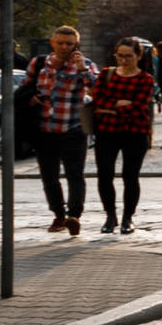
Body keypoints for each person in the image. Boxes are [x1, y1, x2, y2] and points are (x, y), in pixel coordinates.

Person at [25, 26, 101, 237]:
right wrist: (29, 97)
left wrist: (83, 69)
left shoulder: (84, 65)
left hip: (73, 127)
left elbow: (96, 90)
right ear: (53, 43)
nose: (65, 47)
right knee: (49, 176)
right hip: (44, 127)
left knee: (74, 173)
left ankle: (73, 215)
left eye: (69, 44)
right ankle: (58, 214)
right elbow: (25, 86)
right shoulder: (38, 63)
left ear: (76, 45)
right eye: (60, 43)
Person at [90, 39, 155, 234]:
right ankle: (110, 216)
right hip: (106, 131)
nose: (123, 60)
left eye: (128, 56)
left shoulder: (146, 79)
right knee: (105, 175)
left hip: (135, 132)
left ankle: (128, 217)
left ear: (138, 56)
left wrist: (110, 107)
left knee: (130, 176)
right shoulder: (106, 74)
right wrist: (119, 104)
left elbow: (139, 106)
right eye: (120, 56)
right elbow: (97, 100)